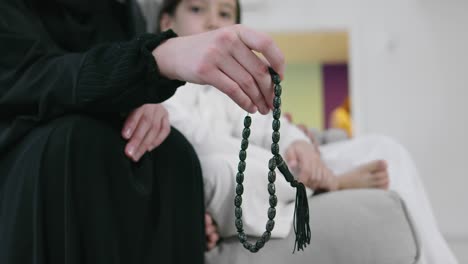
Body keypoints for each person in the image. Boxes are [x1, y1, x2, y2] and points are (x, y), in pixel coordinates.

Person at [156, 0, 459, 263]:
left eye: (224, 13)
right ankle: (328, 182)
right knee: (220, 172)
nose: (212, 21)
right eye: (197, 8)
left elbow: (267, 122)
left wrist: (299, 144)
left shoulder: (230, 86)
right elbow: (196, 141)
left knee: (385, 151)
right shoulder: (160, 86)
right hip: (234, 173)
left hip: (272, 171)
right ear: (167, 22)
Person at [0, 0, 287, 263]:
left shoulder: (118, 9)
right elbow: (29, 77)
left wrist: (141, 98)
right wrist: (154, 61)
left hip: (104, 141)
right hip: (30, 146)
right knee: (76, 144)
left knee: (176, 153)